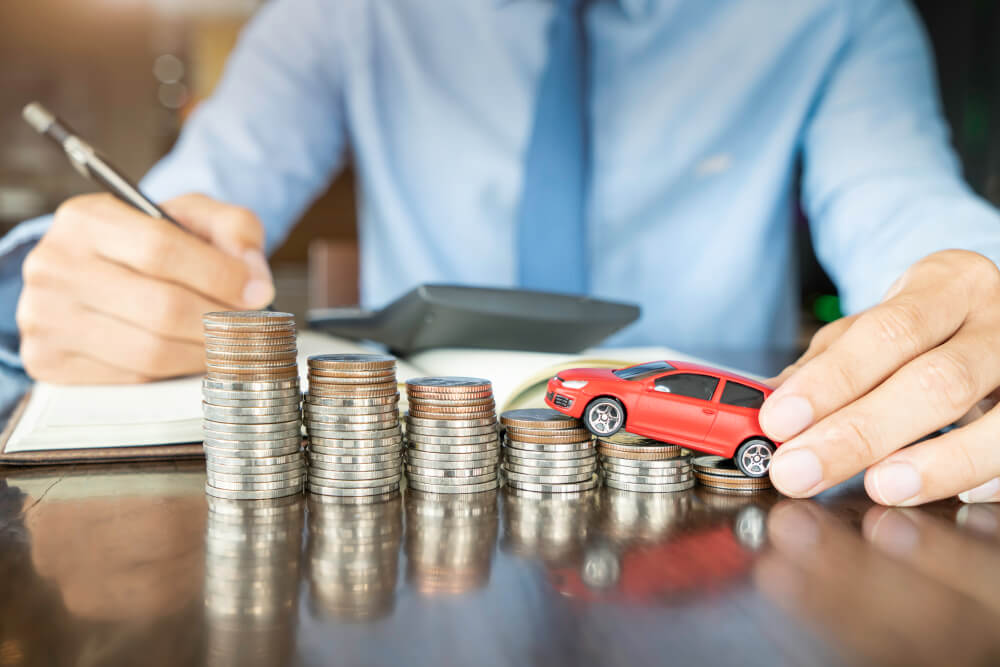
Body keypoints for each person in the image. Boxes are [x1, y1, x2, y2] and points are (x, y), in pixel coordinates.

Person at [1, 0, 999, 506]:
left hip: (718, 511)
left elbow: (913, 216)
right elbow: (192, 202)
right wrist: (77, 283)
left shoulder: (837, 16)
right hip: (405, 507)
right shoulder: (342, 11)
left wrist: (974, 299)